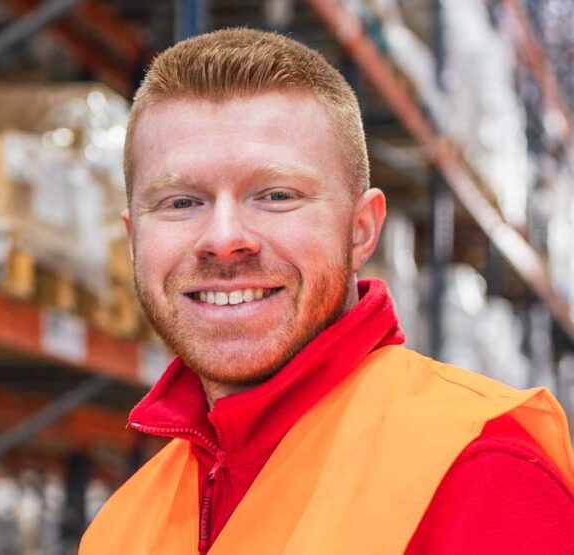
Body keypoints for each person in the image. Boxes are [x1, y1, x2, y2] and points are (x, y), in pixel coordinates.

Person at [80, 28, 574, 554]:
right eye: (181, 203)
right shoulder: (122, 526)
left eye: (275, 195)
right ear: (134, 239)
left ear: (361, 229)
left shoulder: (478, 475)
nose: (224, 240)